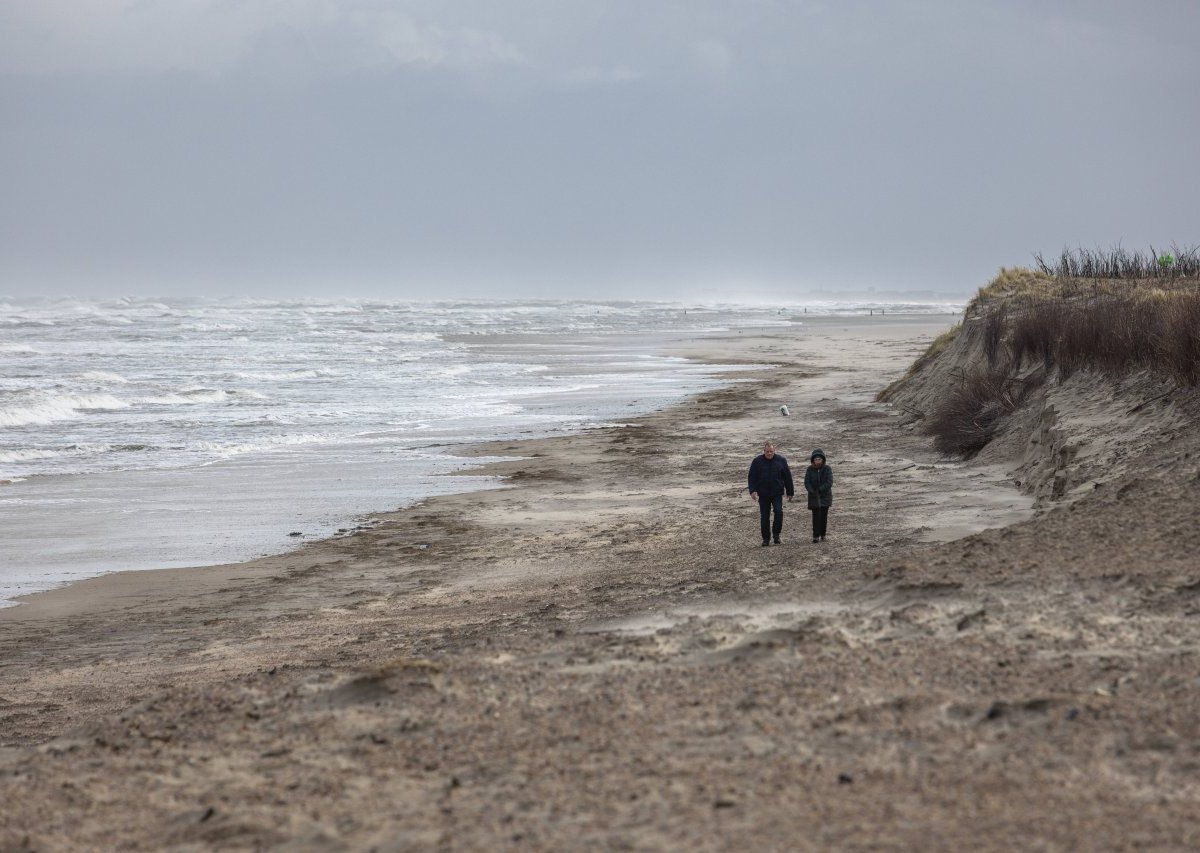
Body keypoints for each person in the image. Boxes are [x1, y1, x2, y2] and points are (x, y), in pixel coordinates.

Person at [747, 442, 794, 546]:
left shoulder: (781, 460)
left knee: (778, 512)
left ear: (774, 451)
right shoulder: (757, 461)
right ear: (764, 451)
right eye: (767, 451)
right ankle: (766, 539)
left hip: (777, 493)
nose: (769, 453)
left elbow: (787, 477)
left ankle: (776, 535)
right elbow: (752, 477)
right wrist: (752, 491)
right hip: (763, 494)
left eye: (771, 451)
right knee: (764, 516)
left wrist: (790, 492)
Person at [804, 449, 833, 543]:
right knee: (815, 517)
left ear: (823, 460)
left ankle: (823, 534)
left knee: (824, 516)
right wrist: (812, 491)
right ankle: (815, 535)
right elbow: (806, 482)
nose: (818, 461)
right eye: (816, 459)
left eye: (819, 459)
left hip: (825, 496)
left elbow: (829, 482)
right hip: (813, 496)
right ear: (813, 460)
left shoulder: (827, 469)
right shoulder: (809, 469)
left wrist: (820, 489)